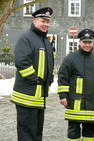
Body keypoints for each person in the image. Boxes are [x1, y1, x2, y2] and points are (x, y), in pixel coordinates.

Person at [11, 7, 55, 141]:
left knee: (36, 133)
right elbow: (21, 62)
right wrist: (35, 79)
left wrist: (50, 78)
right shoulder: (26, 37)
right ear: (35, 21)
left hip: (39, 97)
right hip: (26, 96)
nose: (45, 24)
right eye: (43, 21)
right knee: (27, 134)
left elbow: (49, 64)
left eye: (47, 22)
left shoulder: (45, 40)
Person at [57, 29, 94, 141]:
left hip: (92, 104)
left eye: (89, 42)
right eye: (84, 42)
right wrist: (63, 96)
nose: (87, 45)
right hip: (74, 105)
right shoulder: (70, 58)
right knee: (73, 133)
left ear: (92, 43)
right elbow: (62, 78)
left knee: (89, 134)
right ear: (80, 42)